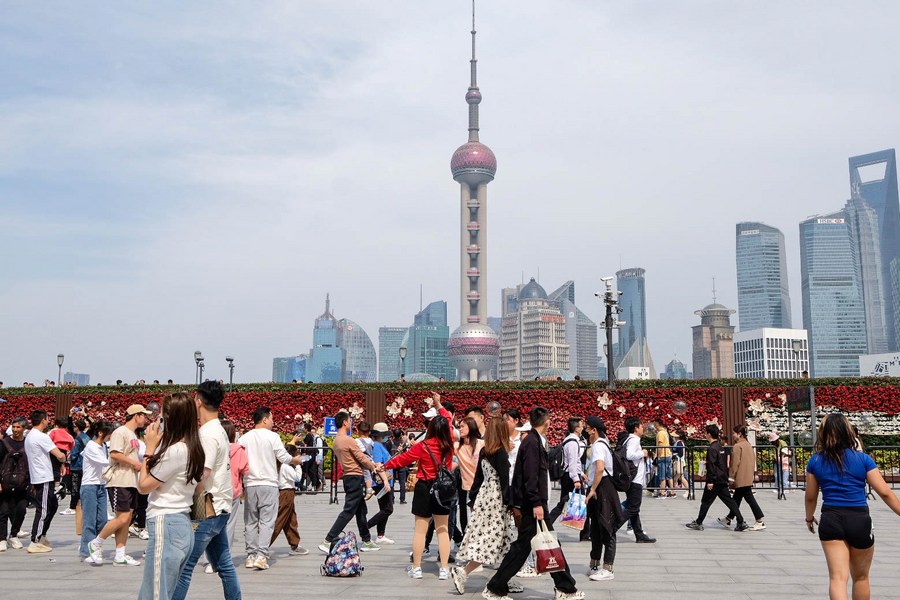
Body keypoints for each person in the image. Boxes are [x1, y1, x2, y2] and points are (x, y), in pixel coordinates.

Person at [483, 407, 583, 600]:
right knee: (529, 547)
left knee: (537, 545)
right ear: (547, 422)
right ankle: (496, 587)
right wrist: (537, 502)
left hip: (533, 502)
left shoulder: (533, 440)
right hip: (532, 504)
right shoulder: (531, 443)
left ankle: (564, 586)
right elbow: (530, 476)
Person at [805, 413, 900, 600]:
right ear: (848, 432)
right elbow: (885, 492)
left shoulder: (815, 461)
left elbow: (810, 497)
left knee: (837, 578)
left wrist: (809, 517)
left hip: (830, 517)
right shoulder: (863, 459)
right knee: (861, 577)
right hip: (859, 519)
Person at [172, 380, 241, 600]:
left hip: (207, 507)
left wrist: (188, 498)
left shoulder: (208, 434)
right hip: (220, 505)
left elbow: (203, 474)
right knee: (224, 564)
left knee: (185, 566)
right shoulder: (218, 429)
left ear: (199, 401)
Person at [133, 392, 205, 600]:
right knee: (167, 591)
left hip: (166, 522)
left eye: (162, 418)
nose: (157, 422)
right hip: (181, 523)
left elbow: (144, 486)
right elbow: (199, 487)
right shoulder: (194, 449)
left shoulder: (176, 451)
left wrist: (149, 449)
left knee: (155, 593)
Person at [450, 411, 518, 595]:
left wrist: (472, 498)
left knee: (504, 540)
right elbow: (504, 480)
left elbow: (478, 478)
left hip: (484, 498)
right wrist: (510, 503)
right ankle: (463, 572)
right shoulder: (501, 453)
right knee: (491, 540)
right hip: (497, 500)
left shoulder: (485, 450)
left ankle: (504, 579)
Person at [384, 415, 455, 580]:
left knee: (420, 531)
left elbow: (403, 460)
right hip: (443, 489)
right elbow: (449, 421)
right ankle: (444, 569)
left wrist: (385, 465)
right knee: (443, 530)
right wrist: (440, 406)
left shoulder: (423, 446)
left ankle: (417, 568)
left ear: (430, 430)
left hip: (424, 488)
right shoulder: (449, 447)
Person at [239, 406, 305, 571]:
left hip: (250, 484)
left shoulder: (244, 438)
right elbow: (283, 457)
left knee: (251, 521)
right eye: (272, 419)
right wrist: (295, 461)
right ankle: (262, 555)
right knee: (267, 521)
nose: (273, 422)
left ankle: (250, 556)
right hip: (268, 483)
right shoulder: (272, 436)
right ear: (265, 419)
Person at [89, 404, 152, 565]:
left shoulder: (132, 434)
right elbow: (115, 454)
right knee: (122, 517)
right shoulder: (120, 432)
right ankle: (96, 543)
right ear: (136, 415)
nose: (145, 419)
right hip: (119, 480)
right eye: (143, 415)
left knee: (127, 517)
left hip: (131, 481)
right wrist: (134, 464)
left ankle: (120, 553)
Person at [318, 412, 386, 554]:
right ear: (344, 422)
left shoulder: (336, 440)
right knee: (348, 511)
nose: (351, 423)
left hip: (349, 476)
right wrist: (374, 466)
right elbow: (361, 457)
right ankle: (328, 540)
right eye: (349, 420)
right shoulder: (348, 440)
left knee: (361, 510)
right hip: (355, 477)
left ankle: (366, 540)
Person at [685, 425, 748, 532]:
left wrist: (710, 481)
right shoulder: (720, 447)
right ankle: (741, 521)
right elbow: (720, 464)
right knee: (729, 501)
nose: (705, 434)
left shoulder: (712, 449)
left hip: (714, 480)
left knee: (706, 501)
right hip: (722, 479)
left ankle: (699, 522)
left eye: (706, 433)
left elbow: (712, 466)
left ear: (709, 434)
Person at [584, 416, 624, 581]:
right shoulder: (602, 444)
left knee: (607, 526)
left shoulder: (599, 446)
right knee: (597, 527)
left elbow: (600, 469)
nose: (586, 432)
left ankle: (607, 568)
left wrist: (593, 489)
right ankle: (595, 563)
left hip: (603, 488)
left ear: (594, 430)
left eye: (587, 428)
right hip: (601, 486)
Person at [23, 410, 68, 553]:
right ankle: (35, 540)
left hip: (40, 476)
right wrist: (64, 457)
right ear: (43, 420)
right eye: (47, 419)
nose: (49, 421)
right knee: (43, 509)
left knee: (52, 505)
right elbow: (59, 455)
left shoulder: (30, 435)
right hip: (43, 477)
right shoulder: (41, 436)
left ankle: (42, 535)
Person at [79, 420, 114, 563]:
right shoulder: (91, 447)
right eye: (109, 434)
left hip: (101, 485)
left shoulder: (104, 445)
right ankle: (86, 551)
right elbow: (105, 462)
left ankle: (92, 545)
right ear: (101, 433)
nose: (110, 437)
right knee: (89, 520)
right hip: (89, 486)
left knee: (103, 520)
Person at [719, 425, 766, 531]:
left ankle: (759, 520)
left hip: (740, 476)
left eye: (734, 433)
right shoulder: (748, 445)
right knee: (737, 498)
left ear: (739, 434)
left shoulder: (737, 446)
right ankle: (729, 518)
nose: (733, 435)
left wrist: (731, 477)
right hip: (747, 475)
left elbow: (734, 464)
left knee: (749, 498)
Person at [619, 417, 656, 543]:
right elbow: (629, 455)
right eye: (641, 426)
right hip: (635, 479)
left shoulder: (628, 439)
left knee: (633, 507)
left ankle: (639, 534)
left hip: (631, 478)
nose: (643, 428)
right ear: (635, 428)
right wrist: (643, 453)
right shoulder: (634, 439)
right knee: (633, 508)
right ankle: (611, 528)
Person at [547, 417, 585, 526]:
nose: (582, 428)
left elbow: (573, 462)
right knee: (578, 502)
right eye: (581, 426)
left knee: (565, 503)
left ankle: (585, 532)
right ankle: (585, 532)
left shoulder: (569, 440)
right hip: (571, 476)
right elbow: (572, 463)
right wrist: (576, 479)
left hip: (569, 475)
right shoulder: (572, 442)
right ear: (576, 428)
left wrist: (581, 474)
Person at [269, 444, 305, 556]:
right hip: (286, 493)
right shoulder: (286, 467)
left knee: (291, 519)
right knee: (280, 520)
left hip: (286, 492)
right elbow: (297, 478)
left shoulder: (280, 465)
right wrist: (298, 466)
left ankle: (294, 544)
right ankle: (264, 545)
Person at [0, 417, 30, 551]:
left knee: (21, 510)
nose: (15, 429)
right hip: (5, 483)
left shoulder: (28, 443)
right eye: (14, 427)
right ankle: (2, 538)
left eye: (18, 427)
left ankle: (14, 535)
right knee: (3, 511)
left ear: (24, 429)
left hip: (22, 484)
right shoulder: (3, 443)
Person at [453, 416, 483, 543]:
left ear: (471, 427)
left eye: (463, 426)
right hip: (467, 489)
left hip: (482, 488)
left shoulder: (482, 444)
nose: (460, 428)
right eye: (459, 426)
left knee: (481, 521)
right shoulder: (457, 447)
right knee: (472, 522)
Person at [366, 423, 395, 545]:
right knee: (388, 509)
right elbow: (378, 464)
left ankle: (381, 534)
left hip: (385, 481)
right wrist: (385, 481)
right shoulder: (377, 446)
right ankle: (366, 526)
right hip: (382, 482)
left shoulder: (380, 445)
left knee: (384, 508)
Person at [64, 419, 90, 516]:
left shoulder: (77, 440)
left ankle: (72, 506)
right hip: (85, 465)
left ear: (77, 428)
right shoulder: (87, 437)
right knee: (83, 486)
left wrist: (69, 456)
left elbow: (74, 454)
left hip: (77, 466)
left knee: (75, 487)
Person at [653, 419, 675, 498]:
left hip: (662, 456)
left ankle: (662, 492)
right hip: (668, 455)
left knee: (662, 475)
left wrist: (658, 456)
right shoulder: (665, 432)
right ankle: (672, 492)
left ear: (657, 424)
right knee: (669, 475)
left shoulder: (661, 433)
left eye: (655, 424)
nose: (654, 426)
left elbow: (660, 445)